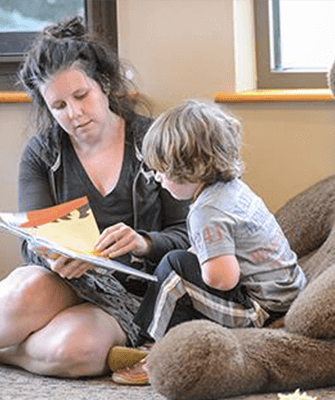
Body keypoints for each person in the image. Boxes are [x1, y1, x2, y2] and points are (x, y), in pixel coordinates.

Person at [0, 17, 190, 378]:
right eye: (58, 106)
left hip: (133, 294)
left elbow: (186, 233)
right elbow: (31, 241)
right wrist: (52, 256)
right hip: (63, 281)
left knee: (73, 351)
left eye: (81, 96)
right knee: (27, 287)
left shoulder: (152, 140)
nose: (74, 114)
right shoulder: (42, 153)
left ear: (103, 83)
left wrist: (142, 242)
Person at [111, 99, 307, 385]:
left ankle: (155, 350)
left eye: (163, 171)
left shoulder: (207, 211)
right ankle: (162, 340)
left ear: (192, 166)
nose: (158, 179)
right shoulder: (232, 189)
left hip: (261, 311)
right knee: (182, 264)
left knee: (174, 268)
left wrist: (196, 268)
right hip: (287, 298)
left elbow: (223, 279)